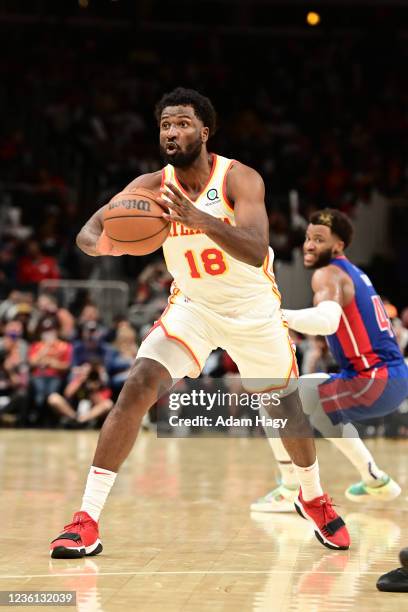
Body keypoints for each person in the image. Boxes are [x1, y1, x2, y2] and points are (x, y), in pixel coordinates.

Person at [50, 87, 350, 559]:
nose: (173, 132)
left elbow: (254, 250)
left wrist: (198, 218)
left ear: (204, 131)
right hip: (193, 306)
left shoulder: (239, 179)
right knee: (138, 385)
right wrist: (109, 245)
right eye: (166, 124)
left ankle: (312, 496)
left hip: (252, 310)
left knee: (285, 410)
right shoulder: (150, 185)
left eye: (183, 123)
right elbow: (89, 231)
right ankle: (85, 520)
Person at [252, 209, 407, 513]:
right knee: (323, 412)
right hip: (390, 379)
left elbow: (326, 321)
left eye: (319, 240)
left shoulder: (329, 274)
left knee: (272, 396)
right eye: (308, 238)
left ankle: (290, 487)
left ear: (338, 246)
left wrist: (275, 316)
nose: (309, 245)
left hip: (374, 379)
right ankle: (375, 479)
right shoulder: (355, 272)